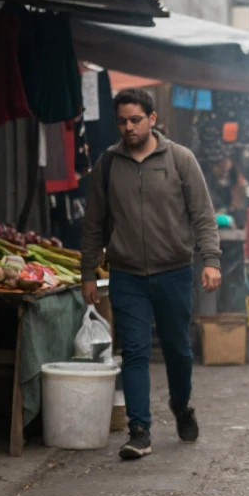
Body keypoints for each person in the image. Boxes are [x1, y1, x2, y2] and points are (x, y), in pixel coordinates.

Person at [80, 88, 221, 460]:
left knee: (178, 350)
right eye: (122, 121)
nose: (129, 127)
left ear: (153, 119)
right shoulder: (107, 164)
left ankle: (180, 404)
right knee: (136, 353)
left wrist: (211, 260)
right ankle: (139, 430)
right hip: (127, 275)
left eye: (136, 120)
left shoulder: (179, 159)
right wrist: (87, 274)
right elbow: (93, 223)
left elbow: (203, 215)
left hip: (174, 272)